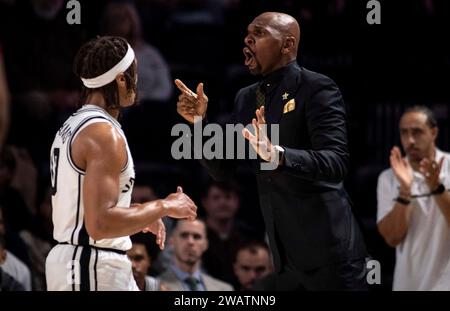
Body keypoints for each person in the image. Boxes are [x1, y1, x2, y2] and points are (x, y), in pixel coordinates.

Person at [175, 12, 367, 290]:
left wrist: (277, 154)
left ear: (287, 45)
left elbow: (336, 161)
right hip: (284, 260)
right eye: (247, 32)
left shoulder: (316, 88)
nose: (247, 39)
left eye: (260, 33)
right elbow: (221, 169)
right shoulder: (246, 97)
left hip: (331, 256)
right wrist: (197, 123)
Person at [45, 36, 197, 291]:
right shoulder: (102, 133)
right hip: (90, 265)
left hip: (88, 262)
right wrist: (164, 205)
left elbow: (84, 209)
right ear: (121, 79)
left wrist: (138, 214)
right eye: (134, 73)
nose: (137, 83)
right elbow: (101, 223)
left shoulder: (75, 124)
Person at [377, 106, 450, 291]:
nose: (410, 140)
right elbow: (392, 238)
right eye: (404, 133)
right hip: (407, 285)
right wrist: (405, 191)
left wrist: (437, 188)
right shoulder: (388, 177)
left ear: (433, 132)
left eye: (417, 132)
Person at [158, 219, 233, 291]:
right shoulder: (155, 287)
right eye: (184, 235)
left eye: (197, 237)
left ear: (205, 244)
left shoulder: (225, 289)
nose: (190, 242)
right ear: (171, 241)